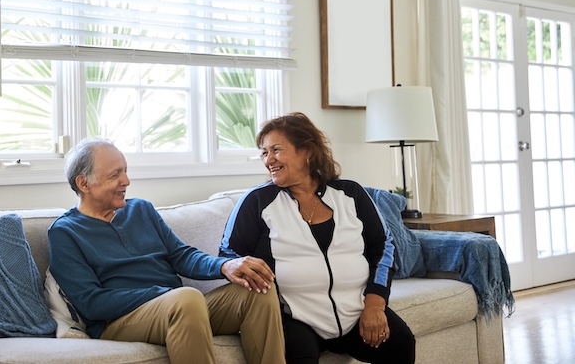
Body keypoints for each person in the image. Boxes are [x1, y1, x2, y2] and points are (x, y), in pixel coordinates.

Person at [47, 137, 286, 364]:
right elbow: (92, 302)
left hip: (179, 307)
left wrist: (225, 266)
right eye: (115, 175)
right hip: (119, 321)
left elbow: (181, 255)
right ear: (83, 183)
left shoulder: (141, 209)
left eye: (125, 171)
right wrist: (162, 294)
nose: (126, 181)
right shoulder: (65, 232)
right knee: (185, 299)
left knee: (258, 288)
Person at [220, 113, 415, 364]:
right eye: (264, 153)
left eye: (276, 150)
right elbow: (229, 255)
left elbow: (383, 247)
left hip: (356, 310)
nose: (269, 160)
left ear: (307, 151)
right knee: (300, 354)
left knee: (401, 343)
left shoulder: (351, 194)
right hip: (293, 316)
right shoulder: (257, 202)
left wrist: (375, 305)